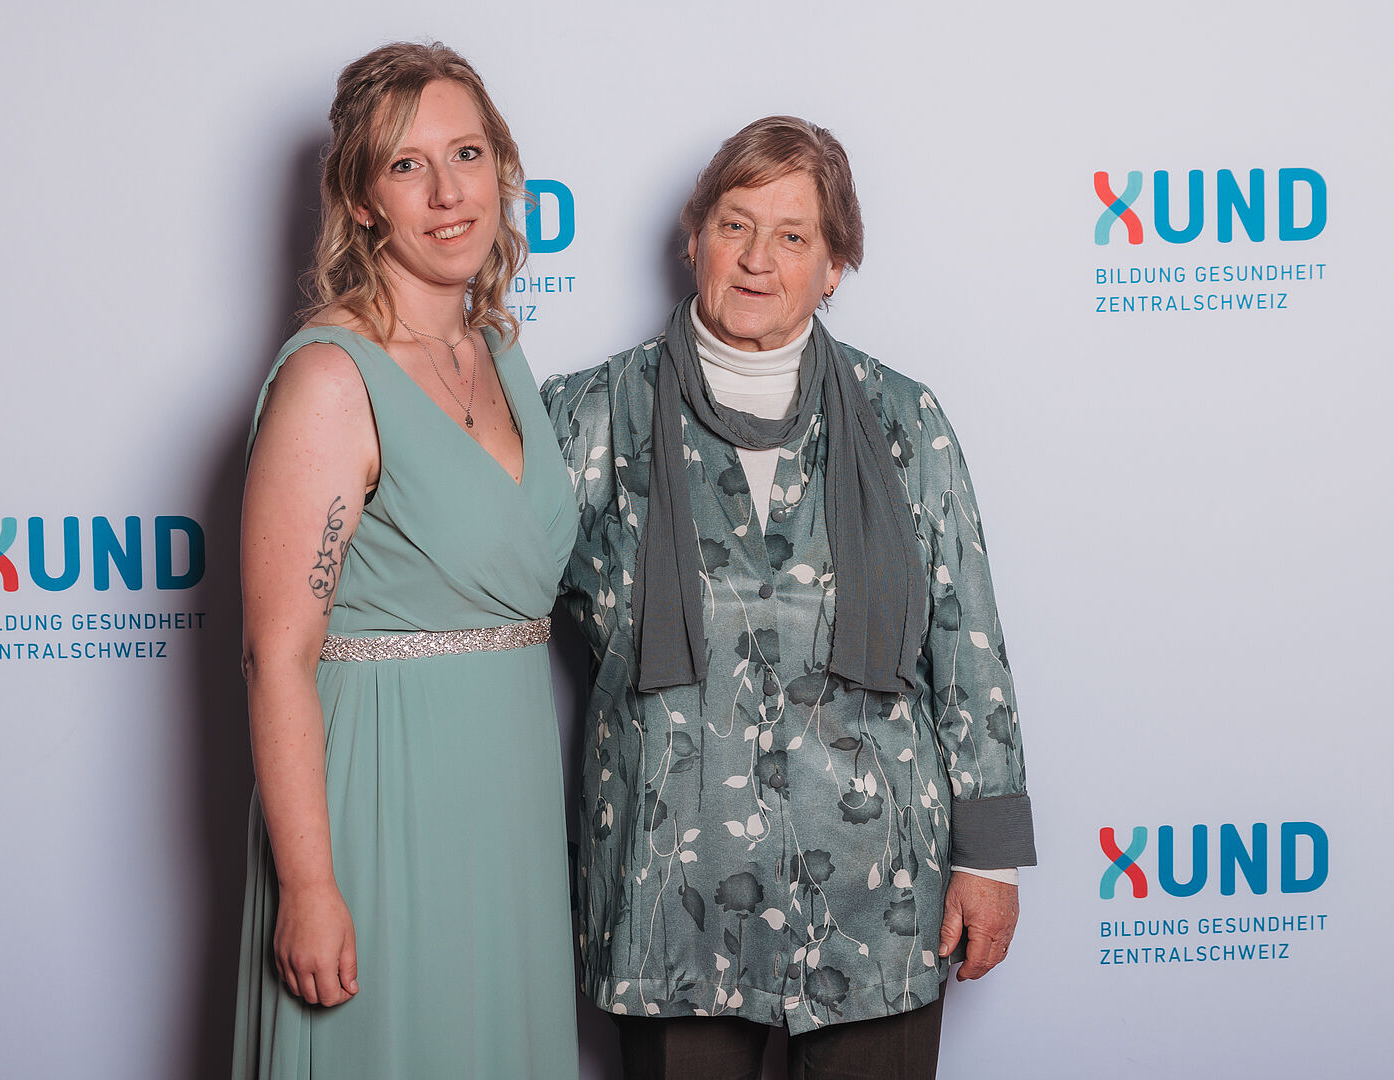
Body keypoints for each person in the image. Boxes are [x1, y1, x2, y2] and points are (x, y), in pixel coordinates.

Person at [541, 116, 1036, 1080]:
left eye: (794, 235)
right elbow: (495, 615)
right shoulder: (589, 414)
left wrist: (989, 859)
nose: (758, 258)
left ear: (836, 265)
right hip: (667, 891)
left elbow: (965, 639)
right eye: (735, 225)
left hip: (878, 893)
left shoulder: (905, 420)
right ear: (694, 238)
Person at [232, 42, 579, 1080]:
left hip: (507, 795)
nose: (447, 192)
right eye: (406, 165)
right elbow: (275, 656)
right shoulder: (332, 378)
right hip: (381, 799)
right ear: (361, 199)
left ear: (501, 170)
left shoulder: (498, 352)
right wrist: (309, 885)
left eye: (466, 154)